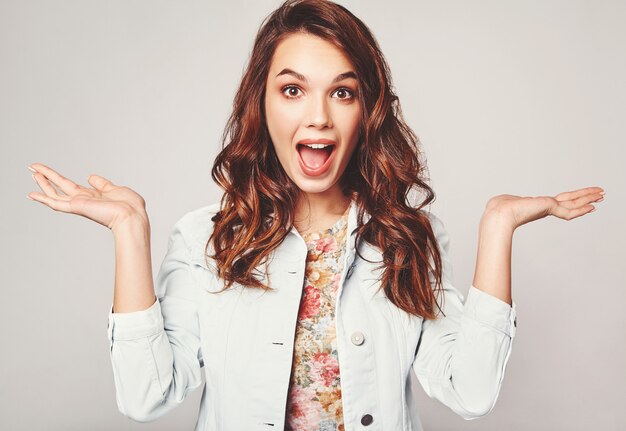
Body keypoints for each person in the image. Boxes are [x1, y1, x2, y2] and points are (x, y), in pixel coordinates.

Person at [26, 0, 605, 430]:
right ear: (263, 102)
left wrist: (497, 226)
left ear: (366, 110)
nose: (319, 117)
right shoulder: (208, 240)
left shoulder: (405, 239)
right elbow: (145, 394)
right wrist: (131, 232)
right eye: (293, 90)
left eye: (343, 92)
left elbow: (470, 391)